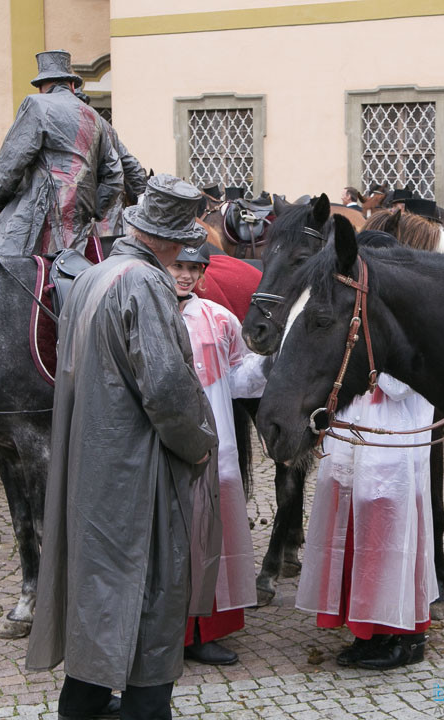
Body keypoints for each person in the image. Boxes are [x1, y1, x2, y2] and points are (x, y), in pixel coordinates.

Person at [26, 175, 219, 720]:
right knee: (151, 600)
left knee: (98, 599)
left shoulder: (93, 275)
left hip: (92, 468)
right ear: (172, 242)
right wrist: (199, 446)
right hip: (139, 476)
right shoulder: (146, 283)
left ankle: (82, 708)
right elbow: (166, 388)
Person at [166, 242, 267, 666]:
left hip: (217, 444)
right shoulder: (146, 313)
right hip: (165, 444)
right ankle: (165, 632)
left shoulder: (219, 317)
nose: (186, 275)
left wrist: (270, 362)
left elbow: (239, 378)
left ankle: (206, 628)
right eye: (179, 266)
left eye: (195, 268)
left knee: (212, 537)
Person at [296, 372, 439, 670]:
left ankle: (406, 637)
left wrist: (363, 360)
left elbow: (402, 385)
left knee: (389, 540)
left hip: (393, 448)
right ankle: (369, 630)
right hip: (352, 442)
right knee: (354, 539)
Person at [0, 50, 123, 257]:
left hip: (41, 207)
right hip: (78, 213)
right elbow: (114, 175)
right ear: (72, 85)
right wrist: (93, 210)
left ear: (41, 87)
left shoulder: (36, 104)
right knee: (71, 269)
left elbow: (11, 161)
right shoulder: (94, 116)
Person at [74, 90, 147, 241]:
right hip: (104, 207)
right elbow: (129, 162)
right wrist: (141, 193)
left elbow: (127, 162)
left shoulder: (94, 126)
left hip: (93, 205)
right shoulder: (102, 124)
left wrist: (141, 194)